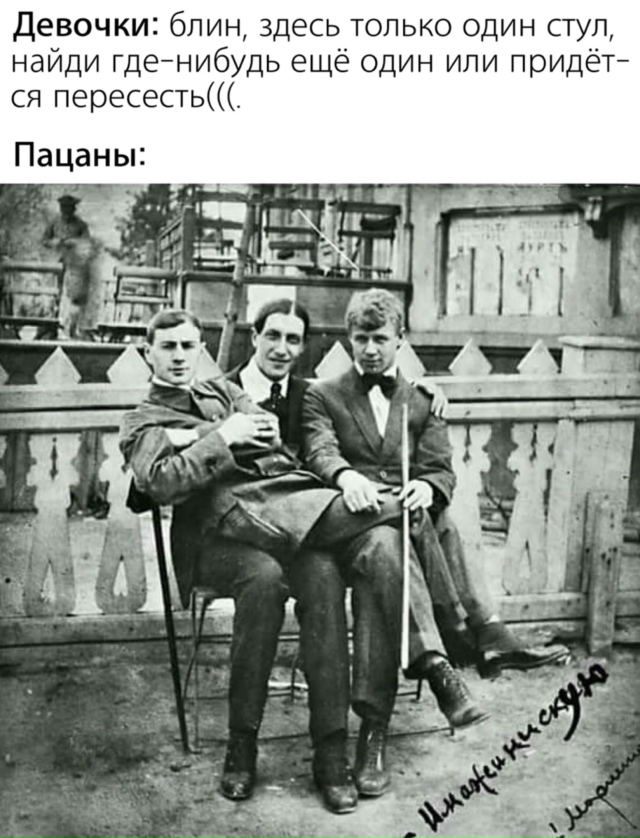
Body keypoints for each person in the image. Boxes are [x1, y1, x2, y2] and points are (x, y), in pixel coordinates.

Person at [120, 308, 472, 814]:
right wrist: (221, 436)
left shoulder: (221, 391)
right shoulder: (140, 419)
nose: (178, 356)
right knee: (277, 573)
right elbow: (160, 482)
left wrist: (195, 438)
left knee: (325, 575)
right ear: (147, 351)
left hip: (280, 513)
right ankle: (242, 745)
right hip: (218, 539)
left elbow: (266, 434)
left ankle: (330, 753)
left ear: (201, 349)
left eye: (188, 346)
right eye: (167, 346)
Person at [230, 296, 569, 677]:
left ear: (400, 340)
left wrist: (427, 486)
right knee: (412, 529)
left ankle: (473, 642)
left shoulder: (420, 399)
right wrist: (347, 477)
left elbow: (440, 469)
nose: (370, 349)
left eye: (380, 339)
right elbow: (321, 450)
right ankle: (470, 629)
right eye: (361, 339)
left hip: (400, 523)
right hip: (347, 522)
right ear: (349, 339)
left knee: (437, 521)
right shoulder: (319, 394)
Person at [42, 194, 96, 339]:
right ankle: (51, 328)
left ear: (73, 209)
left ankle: (71, 328)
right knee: (54, 295)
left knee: (73, 297)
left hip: (75, 265)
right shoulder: (54, 223)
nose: (66, 211)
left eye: (69, 208)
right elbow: (44, 240)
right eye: (64, 208)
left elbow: (87, 244)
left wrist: (73, 242)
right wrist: (54, 242)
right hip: (57, 264)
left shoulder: (80, 225)